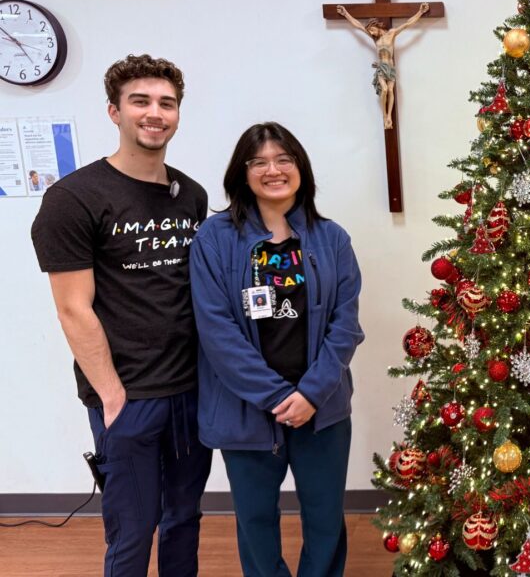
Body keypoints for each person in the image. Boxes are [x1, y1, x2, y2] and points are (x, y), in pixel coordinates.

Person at [30, 54, 212, 576]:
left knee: (184, 518)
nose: (155, 113)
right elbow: (72, 307)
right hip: (126, 396)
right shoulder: (74, 199)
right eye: (140, 101)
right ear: (114, 111)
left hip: (190, 392)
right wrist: (111, 395)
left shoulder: (191, 195)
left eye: (166, 103)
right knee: (132, 531)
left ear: (177, 113)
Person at [190, 122, 364, 577]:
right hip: (245, 410)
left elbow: (345, 327)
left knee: (326, 518)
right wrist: (274, 397)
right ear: (242, 173)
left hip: (321, 409)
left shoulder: (333, 239)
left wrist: (310, 394)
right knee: (255, 521)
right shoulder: (214, 239)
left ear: (300, 168)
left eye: (284, 159)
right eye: (259, 161)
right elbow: (216, 330)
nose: (273, 170)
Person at [336, 2, 431, 128]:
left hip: (390, 68)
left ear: (377, 26)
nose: (372, 33)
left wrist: (420, 12)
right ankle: (384, 115)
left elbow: (407, 24)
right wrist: (345, 14)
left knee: (391, 90)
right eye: (370, 31)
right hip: (381, 68)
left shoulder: (391, 34)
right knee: (384, 89)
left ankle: (389, 118)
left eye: (372, 30)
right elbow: (358, 26)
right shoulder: (376, 39)